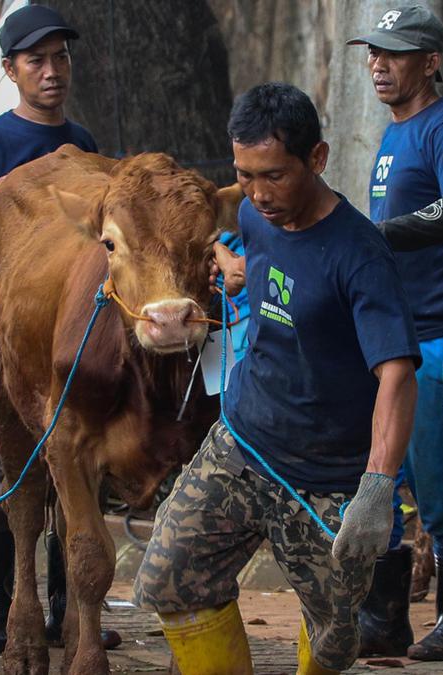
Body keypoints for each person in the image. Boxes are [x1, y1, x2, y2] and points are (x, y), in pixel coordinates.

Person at [133, 82, 421, 674]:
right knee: (168, 577)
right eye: (245, 175)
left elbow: (397, 374)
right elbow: (236, 243)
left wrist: (377, 487)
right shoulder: (252, 215)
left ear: (317, 158)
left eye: (274, 176)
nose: (259, 193)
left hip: (327, 480)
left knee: (335, 640)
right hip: (243, 444)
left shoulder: (360, 254)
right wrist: (229, 264)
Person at [0, 4, 122, 655]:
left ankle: (72, 608)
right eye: (37, 60)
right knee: (1, 477)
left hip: (71, 347)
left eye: (61, 57)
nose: (52, 70)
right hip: (1, 344)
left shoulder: (84, 146)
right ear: (10, 70)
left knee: (77, 476)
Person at [346, 4, 443, 661]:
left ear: (431, 62)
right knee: (379, 476)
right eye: (374, 52)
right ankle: (384, 619)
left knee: (438, 489)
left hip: (442, 333)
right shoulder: (394, 132)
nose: (378, 63)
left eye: (394, 52)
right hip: (396, 341)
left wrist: (385, 233)